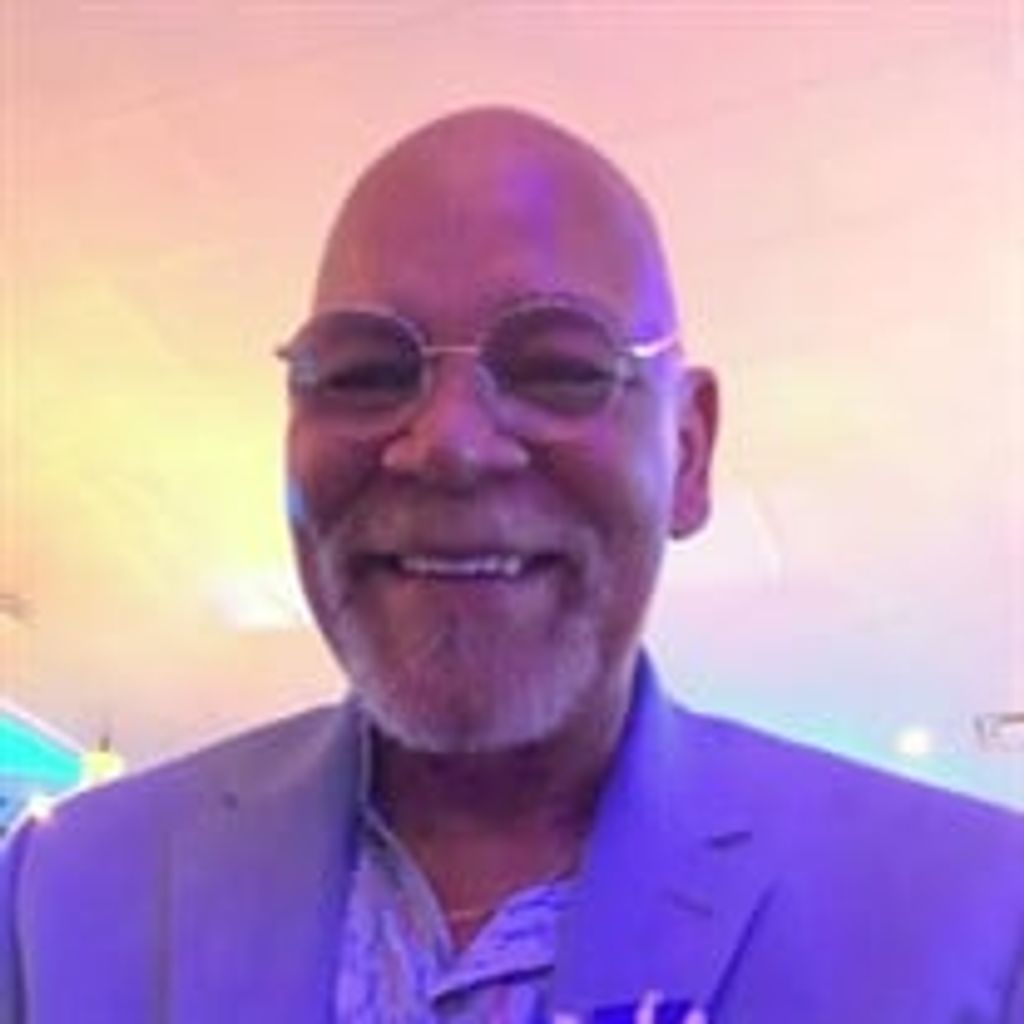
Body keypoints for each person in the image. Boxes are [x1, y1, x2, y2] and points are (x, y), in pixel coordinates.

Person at [1, 107, 1022, 1024]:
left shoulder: (975, 923)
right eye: (363, 372)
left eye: (558, 369)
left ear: (689, 454)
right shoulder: (59, 900)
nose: (448, 443)